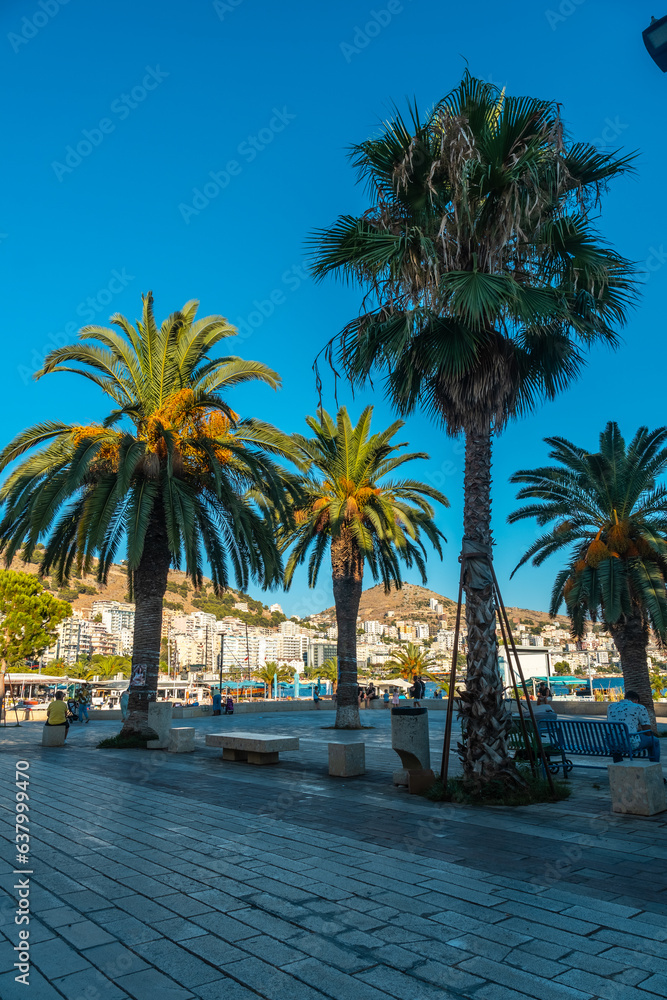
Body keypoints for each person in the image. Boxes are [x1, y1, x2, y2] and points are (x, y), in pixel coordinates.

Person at [608, 690, 661, 763]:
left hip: (611, 743)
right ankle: (655, 764)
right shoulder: (639, 707)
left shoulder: (611, 706)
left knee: (617, 738)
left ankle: (618, 764)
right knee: (655, 740)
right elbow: (647, 730)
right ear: (636, 700)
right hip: (630, 743)